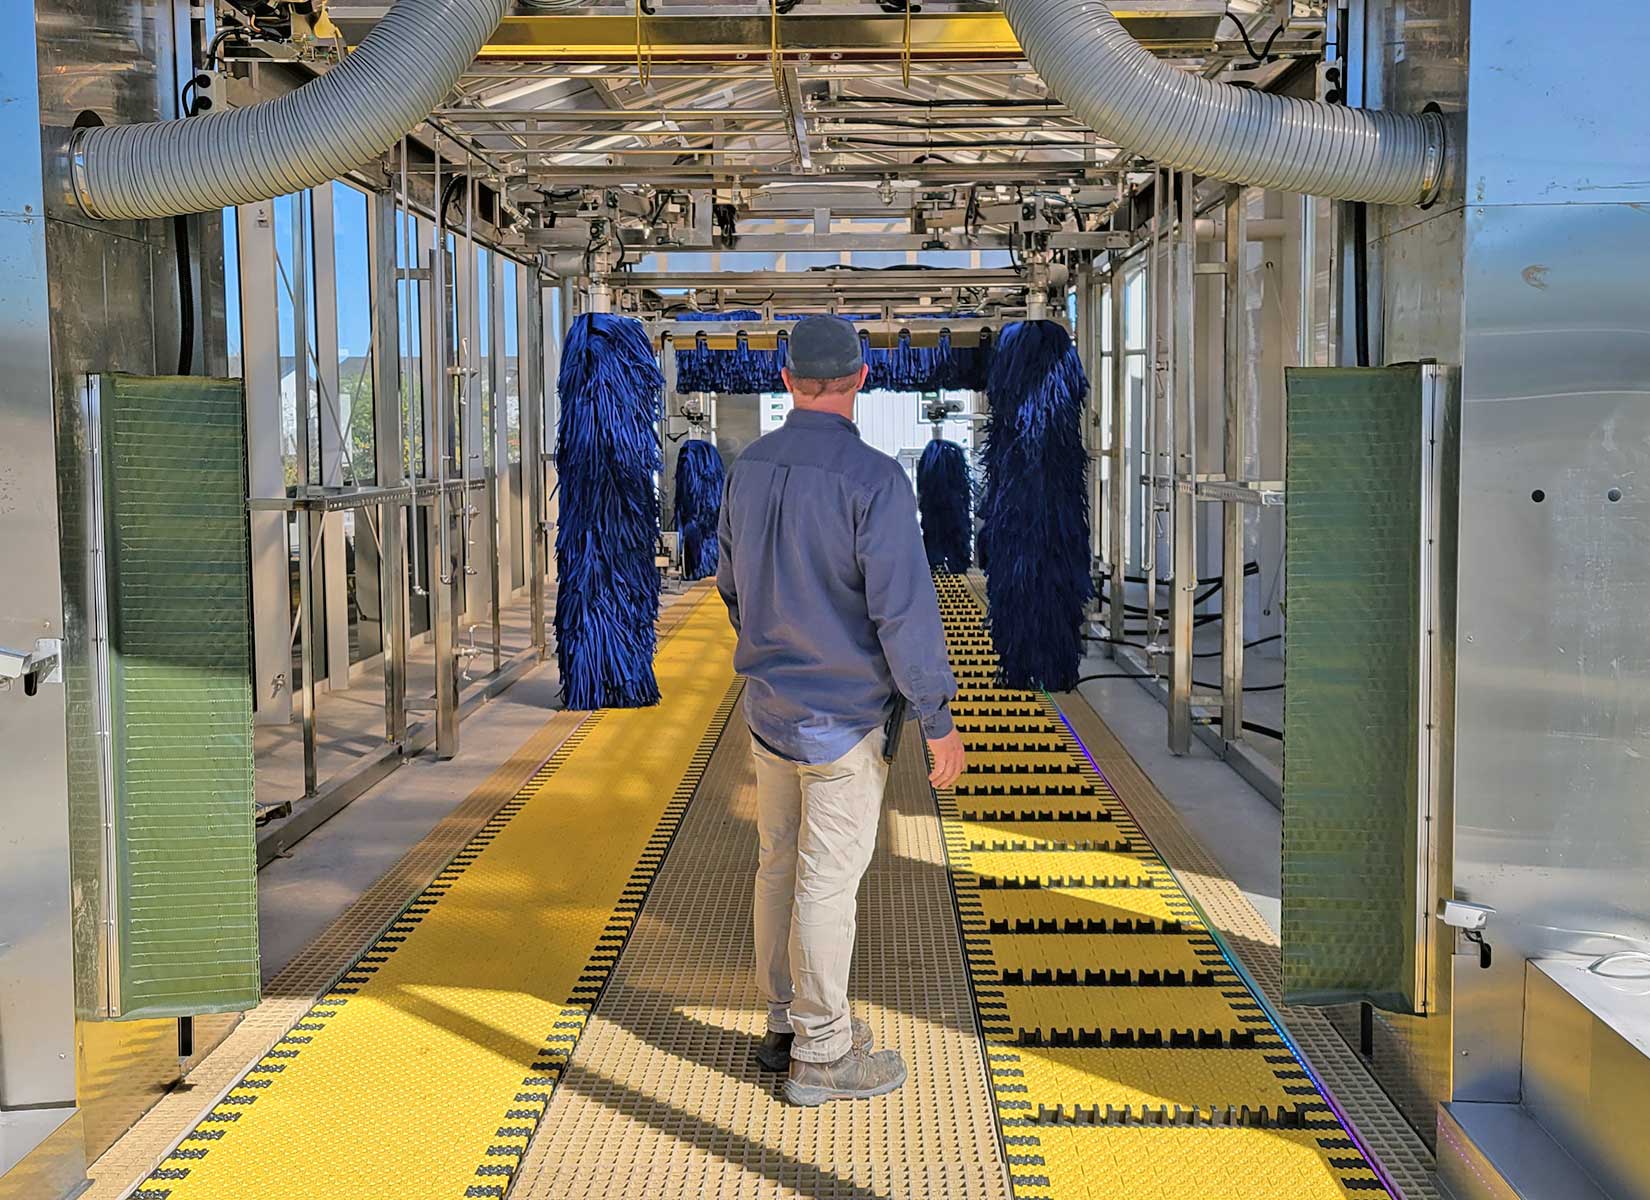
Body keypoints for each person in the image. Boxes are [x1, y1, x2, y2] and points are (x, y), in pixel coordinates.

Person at [715, 314, 966, 1107]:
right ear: (862, 379)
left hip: (768, 712)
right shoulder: (874, 482)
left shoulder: (747, 470)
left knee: (779, 865)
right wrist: (938, 718)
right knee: (827, 882)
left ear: (786, 381)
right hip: (844, 724)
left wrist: (774, 646)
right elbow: (904, 614)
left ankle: (786, 1023)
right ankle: (823, 1053)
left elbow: (729, 586)